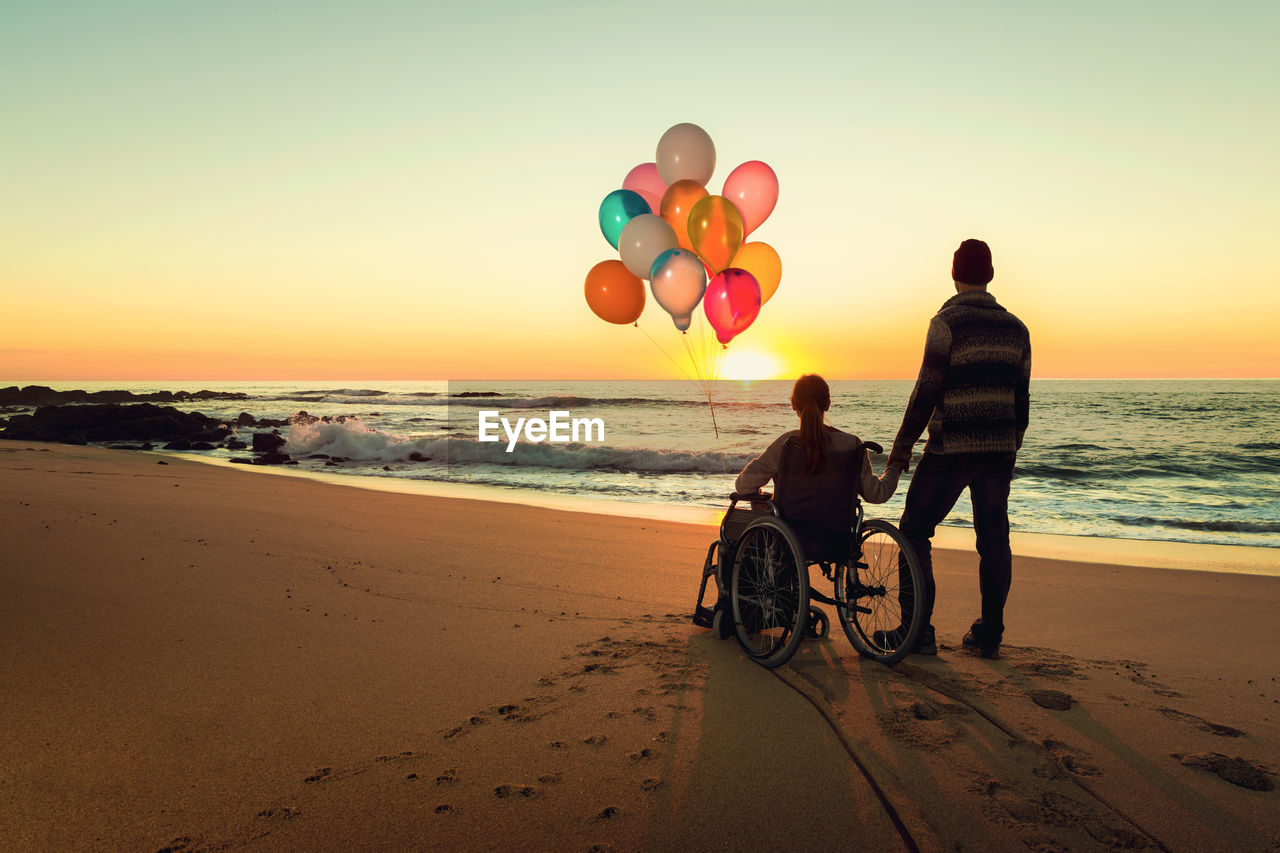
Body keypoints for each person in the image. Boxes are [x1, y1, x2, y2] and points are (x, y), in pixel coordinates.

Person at [888, 239, 1031, 659]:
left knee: (914, 531)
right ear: (991, 273)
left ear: (954, 271)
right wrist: (1010, 447)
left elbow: (925, 393)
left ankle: (917, 633)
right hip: (998, 452)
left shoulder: (945, 323)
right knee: (993, 542)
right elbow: (1021, 400)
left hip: (951, 449)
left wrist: (900, 452)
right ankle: (990, 634)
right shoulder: (1017, 329)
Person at [736, 375, 904, 551]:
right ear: (828, 404)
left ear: (793, 404)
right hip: (835, 537)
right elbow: (877, 494)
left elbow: (744, 485)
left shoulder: (788, 444)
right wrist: (895, 467)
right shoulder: (851, 444)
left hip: (788, 537)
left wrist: (764, 500)